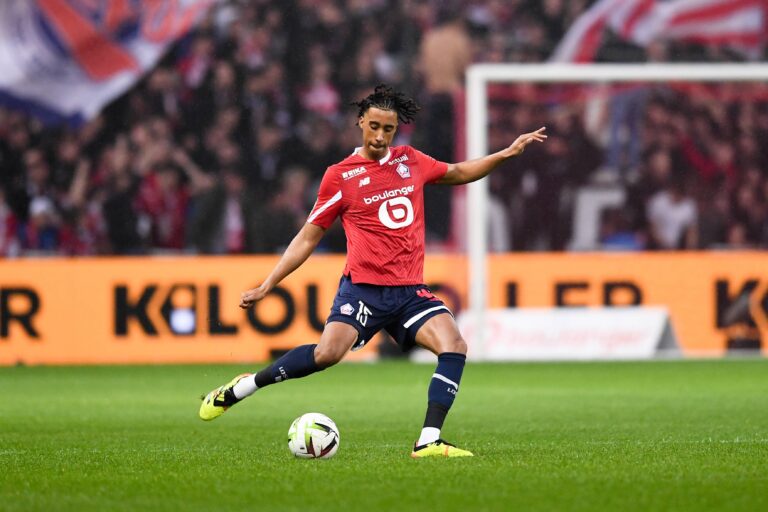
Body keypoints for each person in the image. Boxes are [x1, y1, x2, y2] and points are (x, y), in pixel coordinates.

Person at [199, 84, 547, 458]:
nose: (381, 136)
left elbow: (460, 171)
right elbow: (307, 237)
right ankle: (243, 387)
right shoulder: (341, 176)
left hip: (409, 291)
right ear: (360, 122)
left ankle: (428, 440)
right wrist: (268, 284)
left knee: (454, 345)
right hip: (363, 290)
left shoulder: (410, 161)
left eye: (389, 129)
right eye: (375, 126)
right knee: (327, 354)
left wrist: (507, 153)